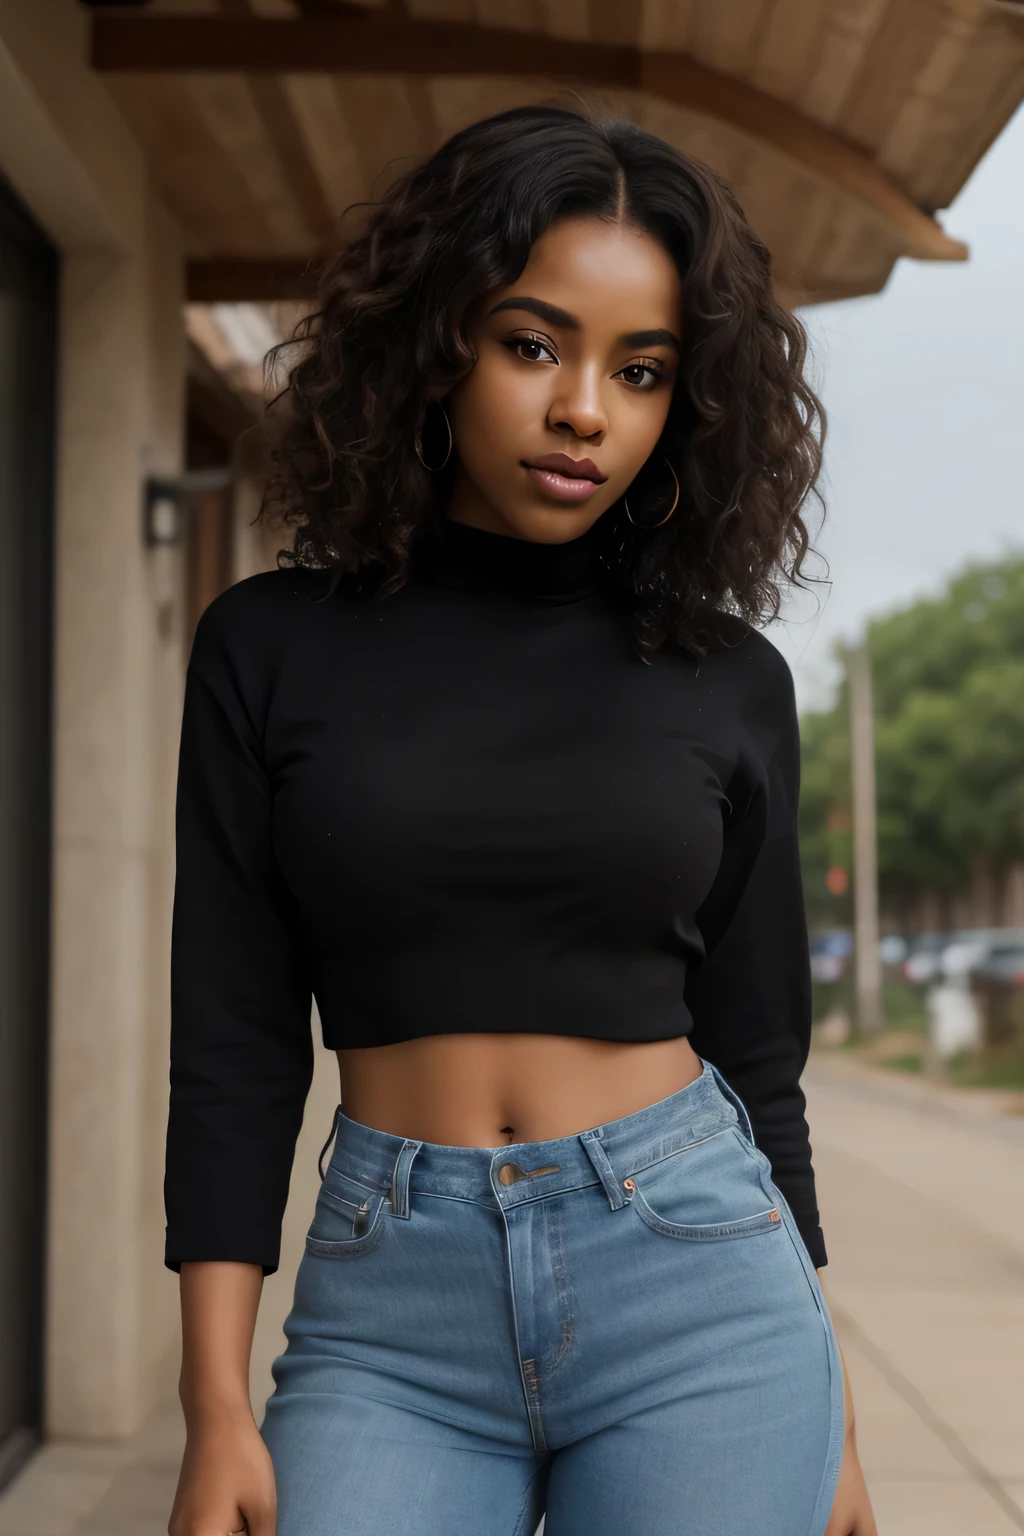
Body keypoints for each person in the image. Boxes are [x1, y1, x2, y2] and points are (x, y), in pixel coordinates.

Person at [165, 105, 877, 1536]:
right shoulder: (270, 645)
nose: (585, 413)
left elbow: (758, 1051)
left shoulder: (726, 678)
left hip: (701, 1297)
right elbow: (234, 1039)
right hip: (390, 1307)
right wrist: (216, 1406)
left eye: (642, 369)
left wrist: (831, 1418)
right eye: (535, 344)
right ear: (436, 342)